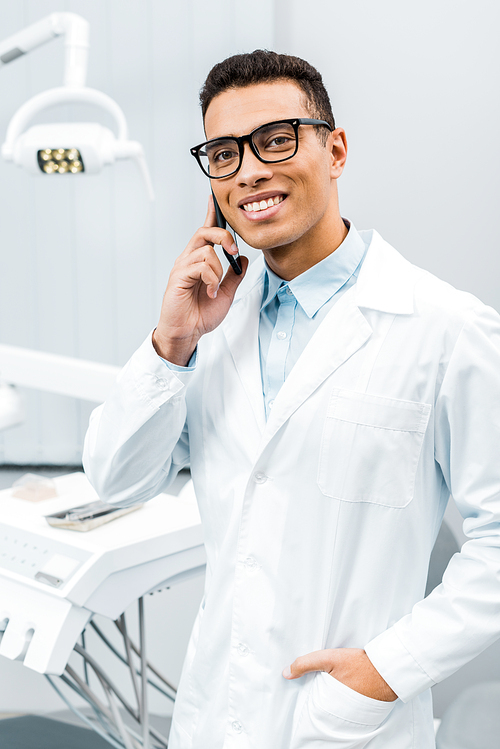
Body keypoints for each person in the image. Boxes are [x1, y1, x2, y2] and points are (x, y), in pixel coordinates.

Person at [83, 50, 500, 749]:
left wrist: (385, 670)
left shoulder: (444, 329)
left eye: (276, 139)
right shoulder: (210, 326)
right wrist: (172, 341)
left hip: (347, 722)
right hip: (216, 716)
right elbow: (116, 477)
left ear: (334, 150)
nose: (249, 170)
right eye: (224, 152)